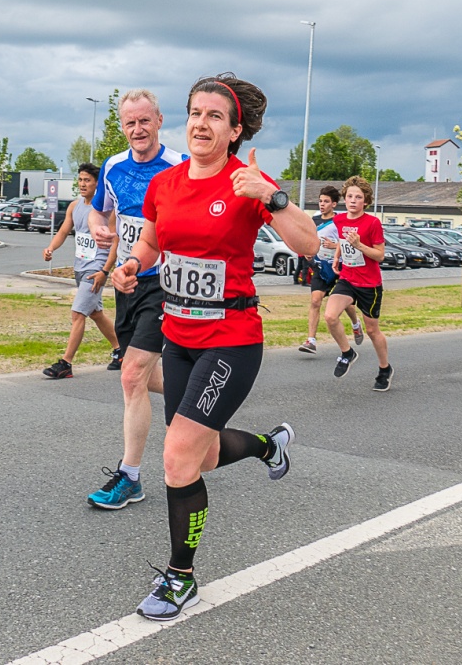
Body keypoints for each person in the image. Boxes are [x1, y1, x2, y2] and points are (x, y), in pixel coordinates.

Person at [111, 73, 319, 621]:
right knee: (199, 454)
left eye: (214, 117)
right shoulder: (167, 183)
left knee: (177, 457)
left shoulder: (247, 182)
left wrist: (270, 196)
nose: (201, 124)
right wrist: (134, 265)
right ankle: (268, 446)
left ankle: (181, 577)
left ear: (234, 131)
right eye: (195, 114)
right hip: (178, 337)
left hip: (231, 340)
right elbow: (155, 241)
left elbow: (309, 244)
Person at [86, 89, 187, 509]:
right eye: (130, 123)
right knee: (143, 376)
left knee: (131, 376)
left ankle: (130, 476)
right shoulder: (112, 167)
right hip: (127, 281)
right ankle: (199, 402)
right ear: (122, 126)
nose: (137, 130)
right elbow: (97, 210)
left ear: (159, 121)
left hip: (166, 282)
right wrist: (96, 226)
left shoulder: (180, 165)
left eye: (144, 121)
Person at [41, 163, 121, 379]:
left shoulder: (107, 211)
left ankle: (66, 363)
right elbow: (64, 231)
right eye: (80, 180)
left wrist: (105, 271)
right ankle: (120, 350)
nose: (83, 184)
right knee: (95, 313)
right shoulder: (74, 206)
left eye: (88, 180)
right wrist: (50, 248)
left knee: (78, 314)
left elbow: (116, 243)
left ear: (97, 184)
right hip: (80, 268)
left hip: (96, 270)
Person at [324, 176, 392, 391]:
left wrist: (360, 245)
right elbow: (343, 242)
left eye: (358, 197)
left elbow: (380, 255)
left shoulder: (372, 223)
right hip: (347, 278)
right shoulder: (340, 220)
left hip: (369, 284)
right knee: (330, 316)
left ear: (365, 201)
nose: (353, 200)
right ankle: (347, 353)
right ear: (345, 199)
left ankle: (384, 369)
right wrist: (337, 256)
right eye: (350, 196)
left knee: (372, 331)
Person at [297, 185, 363, 354]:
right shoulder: (315, 220)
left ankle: (356, 324)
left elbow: (348, 241)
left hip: (339, 267)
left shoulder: (341, 220)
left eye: (326, 201)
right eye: (320, 201)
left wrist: (334, 246)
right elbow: (310, 240)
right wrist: (308, 253)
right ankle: (311, 340)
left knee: (344, 303)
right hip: (320, 266)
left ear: (334, 204)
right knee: (315, 301)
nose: (322, 204)